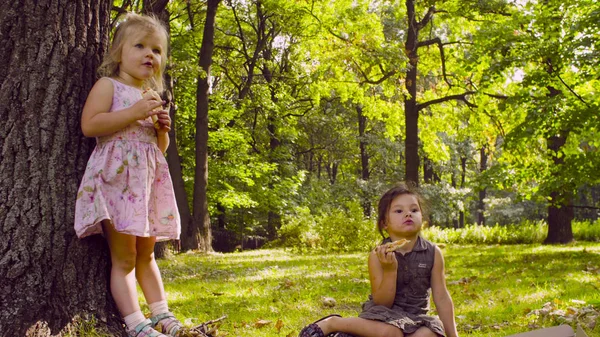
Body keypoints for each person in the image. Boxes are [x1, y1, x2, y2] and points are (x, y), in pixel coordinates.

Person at [74, 13, 194, 337]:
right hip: (118, 183)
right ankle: (136, 323)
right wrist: (133, 113)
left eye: (156, 50)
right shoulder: (109, 86)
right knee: (124, 257)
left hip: (146, 184)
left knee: (147, 254)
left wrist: (161, 130)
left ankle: (163, 315)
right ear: (118, 53)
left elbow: (159, 148)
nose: (149, 55)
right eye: (140, 46)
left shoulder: (153, 96)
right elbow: (90, 125)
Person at [299, 183, 459, 337]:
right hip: (382, 316)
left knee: (428, 334)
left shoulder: (433, 252)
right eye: (398, 211)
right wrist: (390, 270)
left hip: (417, 318)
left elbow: (442, 297)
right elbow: (383, 303)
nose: (408, 214)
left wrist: (453, 335)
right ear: (384, 223)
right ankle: (334, 323)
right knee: (392, 333)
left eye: (414, 210)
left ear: (422, 219)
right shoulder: (377, 255)